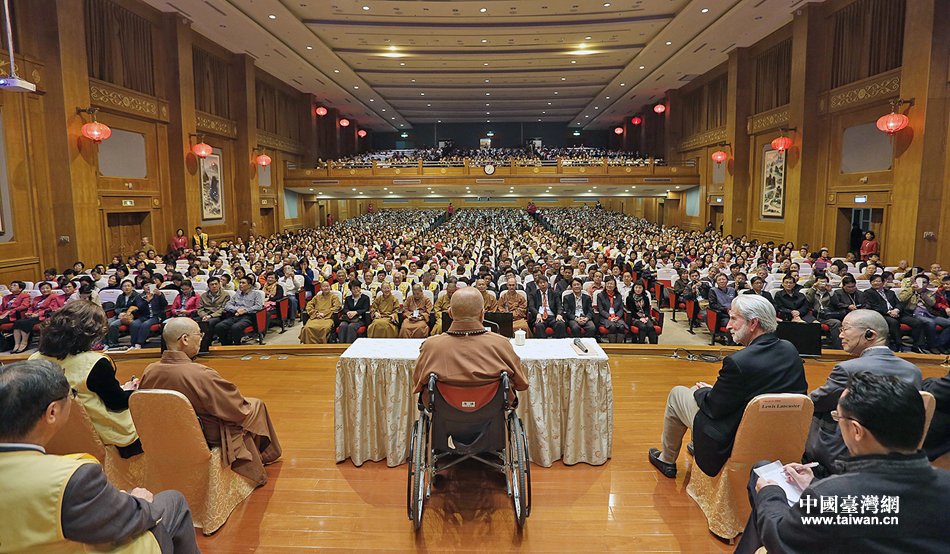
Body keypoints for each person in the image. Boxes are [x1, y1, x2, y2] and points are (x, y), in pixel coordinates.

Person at [734, 372, 950, 554]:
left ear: (856, 431)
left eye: (838, 417)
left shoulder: (830, 496)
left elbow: (779, 541)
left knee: (763, 476)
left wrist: (771, 493)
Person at [0, 359, 200, 554]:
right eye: (72, 394)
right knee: (173, 501)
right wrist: (140, 503)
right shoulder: (73, 477)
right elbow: (124, 521)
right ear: (52, 412)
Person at [648, 294, 807, 478]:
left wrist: (706, 391)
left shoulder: (738, 362)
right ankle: (697, 444)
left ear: (753, 323)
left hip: (734, 438)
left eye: (733, 319)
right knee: (696, 392)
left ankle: (666, 459)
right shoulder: (790, 350)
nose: (728, 325)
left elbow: (714, 408)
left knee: (679, 394)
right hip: (779, 436)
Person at [141, 318, 281, 486]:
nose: (201, 338)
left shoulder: (150, 370)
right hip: (204, 434)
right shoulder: (201, 374)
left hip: (165, 431)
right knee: (255, 405)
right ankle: (265, 456)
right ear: (185, 339)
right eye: (199, 334)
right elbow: (235, 409)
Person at [804, 310, 922, 473]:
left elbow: (813, 403)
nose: (840, 336)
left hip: (847, 454)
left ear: (869, 335)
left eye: (845, 329)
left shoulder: (847, 370)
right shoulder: (914, 371)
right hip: (896, 450)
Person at [29, 301, 143, 458]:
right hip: (100, 439)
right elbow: (116, 404)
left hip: (52, 437)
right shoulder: (95, 362)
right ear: (90, 334)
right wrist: (130, 391)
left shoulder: (34, 359)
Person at [412, 286, 527, 397]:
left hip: (443, 412)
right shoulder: (502, 344)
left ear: (450, 313)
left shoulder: (431, 346)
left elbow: (418, 384)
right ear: (482, 315)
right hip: (493, 412)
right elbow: (521, 383)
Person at [864, 273, 927, 352]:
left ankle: (918, 346)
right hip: (883, 314)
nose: (875, 283)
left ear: (883, 283)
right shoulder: (868, 293)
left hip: (896, 313)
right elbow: (874, 306)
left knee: (917, 322)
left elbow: (898, 303)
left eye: (878, 281)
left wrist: (896, 310)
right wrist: (889, 312)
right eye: (873, 281)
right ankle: (898, 344)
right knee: (894, 323)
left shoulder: (890, 292)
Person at [899, 272, 950, 354]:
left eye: (924, 282)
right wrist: (912, 290)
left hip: (930, 314)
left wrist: (922, 293)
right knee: (930, 323)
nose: (921, 284)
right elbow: (901, 300)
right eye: (919, 282)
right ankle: (932, 345)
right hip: (914, 315)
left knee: (948, 323)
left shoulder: (931, 292)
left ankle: (939, 343)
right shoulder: (908, 290)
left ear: (928, 284)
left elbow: (931, 303)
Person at [12, 281, 66, 353]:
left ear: (51, 289)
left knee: (25, 324)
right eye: (42, 289)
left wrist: (38, 314)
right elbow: (31, 308)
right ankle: (17, 344)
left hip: (43, 316)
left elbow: (50, 308)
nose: (45, 290)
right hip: (33, 315)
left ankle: (24, 343)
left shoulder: (54, 297)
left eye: (47, 288)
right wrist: (29, 313)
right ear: (40, 290)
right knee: (17, 323)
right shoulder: (37, 298)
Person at [214, 276, 263, 346]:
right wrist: (237, 309)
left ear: (249, 285)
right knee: (219, 326)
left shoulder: (256, 294)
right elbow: (227, 305)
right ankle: (227, 345)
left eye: (243, 283)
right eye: (240, 283)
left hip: (247, 317)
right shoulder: (237, 294)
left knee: (235, 327)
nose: (240, 284)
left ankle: (237, 345)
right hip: (234, 315)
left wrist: (245, 311)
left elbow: (258, 306)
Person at [804, 274, 842, 349]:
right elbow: (808, 301)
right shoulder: (811, 291)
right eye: (820, 282)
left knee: (837, 323)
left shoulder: (831, 292)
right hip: (813, 316)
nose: (822, 285)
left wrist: (830, 291)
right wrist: (813, 288)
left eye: (824, 282)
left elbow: (836, 303)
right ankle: (813, 347)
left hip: (826, 316)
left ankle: (837, 347)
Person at [126, 283, 167, 349]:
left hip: (156, 316)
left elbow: (164, 304)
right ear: (143, 288)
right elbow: (139, 307)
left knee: (145, 324)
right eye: (146, 285)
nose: (148, 287)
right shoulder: (140, 296)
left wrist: (160, 295)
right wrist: (147, 301)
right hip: (144, 316)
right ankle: (133, 344)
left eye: (150, 285)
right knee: (134, 323)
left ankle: (139, 343)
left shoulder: (158, 295)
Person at [104, 279, 139, 349]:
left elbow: (137, 308)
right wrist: (120, 313)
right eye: (124, 286)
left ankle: (113, 344)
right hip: (119, 315)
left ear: (132, 287)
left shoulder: (137, 296)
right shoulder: (121, 296)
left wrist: (125, 313)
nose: (127, 288)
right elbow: (116, 308)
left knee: (113, 325)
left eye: (129, 286)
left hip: (130, 316)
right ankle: (105, 343)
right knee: (105, 324)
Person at [626, 279, 658, 344]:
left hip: (644, 316)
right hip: (634, 317)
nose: (638, 289)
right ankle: (641, 344)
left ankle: (653, 346)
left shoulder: (645, 297)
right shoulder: (629, 298)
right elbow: (631, 311)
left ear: (643, 288)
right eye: (636, 287)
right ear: (633, 288)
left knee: (651, 327)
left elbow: (647, 308)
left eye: (640, 288)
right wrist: (640, 318)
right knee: (642, 327)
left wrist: (646, 316)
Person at [596, 276, 627, 343]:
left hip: (617, 317)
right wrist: (610, 318)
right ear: (605, 284)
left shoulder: (618, 296)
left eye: (611, 284)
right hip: (605, 317)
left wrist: (617, 317)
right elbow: (601, 310)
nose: (609, 285)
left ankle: (618, 347)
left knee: (621, 327)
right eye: (608, 283)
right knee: (612, 326)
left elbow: (621, 309)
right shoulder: (600, 295)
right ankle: (612, 346)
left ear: (615, 286)